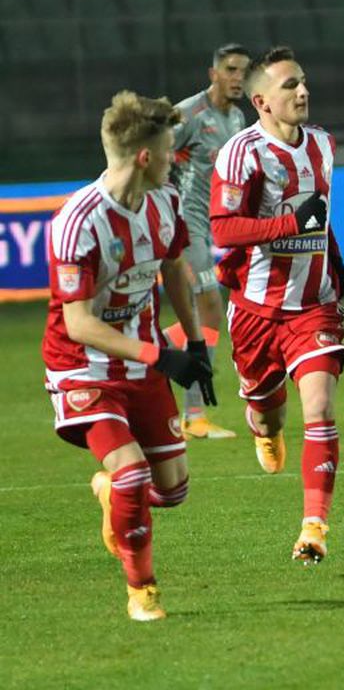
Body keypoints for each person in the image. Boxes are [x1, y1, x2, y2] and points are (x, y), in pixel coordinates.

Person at [42, 91, 217, 621]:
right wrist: (160, 356)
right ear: (145, 157)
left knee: (173, 490)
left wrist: (194, 342)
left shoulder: (164, 204)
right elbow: (78, 322)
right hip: (82, 365)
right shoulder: (79, 222)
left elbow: (172, 273)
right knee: (133, 475)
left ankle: (110, 494)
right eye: (169, 152)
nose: (174, 160)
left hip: (144, 364)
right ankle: (142, 592)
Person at [209, 45, 344, 564]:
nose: (303, 91)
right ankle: (263, 427)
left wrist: (335, 261)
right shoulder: (241, 153)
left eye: (304, 81)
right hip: (255, 312)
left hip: (314, 306)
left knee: (319, 407)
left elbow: (322, 216)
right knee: (268, 415)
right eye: (290, 85)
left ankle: (314, 528)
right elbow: (223, 228)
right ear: (261, 101)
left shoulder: (324, 145)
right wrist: (292, 225)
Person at [162, 43, 250, 440]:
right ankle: (193, 414)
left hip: (210, 228)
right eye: (231, 69)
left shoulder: (237, 118)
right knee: (210, 304)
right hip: (183, 225)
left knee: (208, 313)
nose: (238, 78)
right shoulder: (189, 115)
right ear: (213, 72)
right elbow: (152, 151)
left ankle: (141, 352)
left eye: (244, 72)